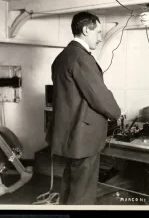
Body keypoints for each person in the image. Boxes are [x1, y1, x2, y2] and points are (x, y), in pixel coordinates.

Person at [46, 11, 121, 205]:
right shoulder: (81, 58)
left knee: (70, 185)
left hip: (69, 136)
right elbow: (99, 97)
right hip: (83, 137)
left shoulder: (62, 57)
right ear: (86, 30)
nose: (100, 37)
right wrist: (116, 113)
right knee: (83, 192)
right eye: (98, 32)